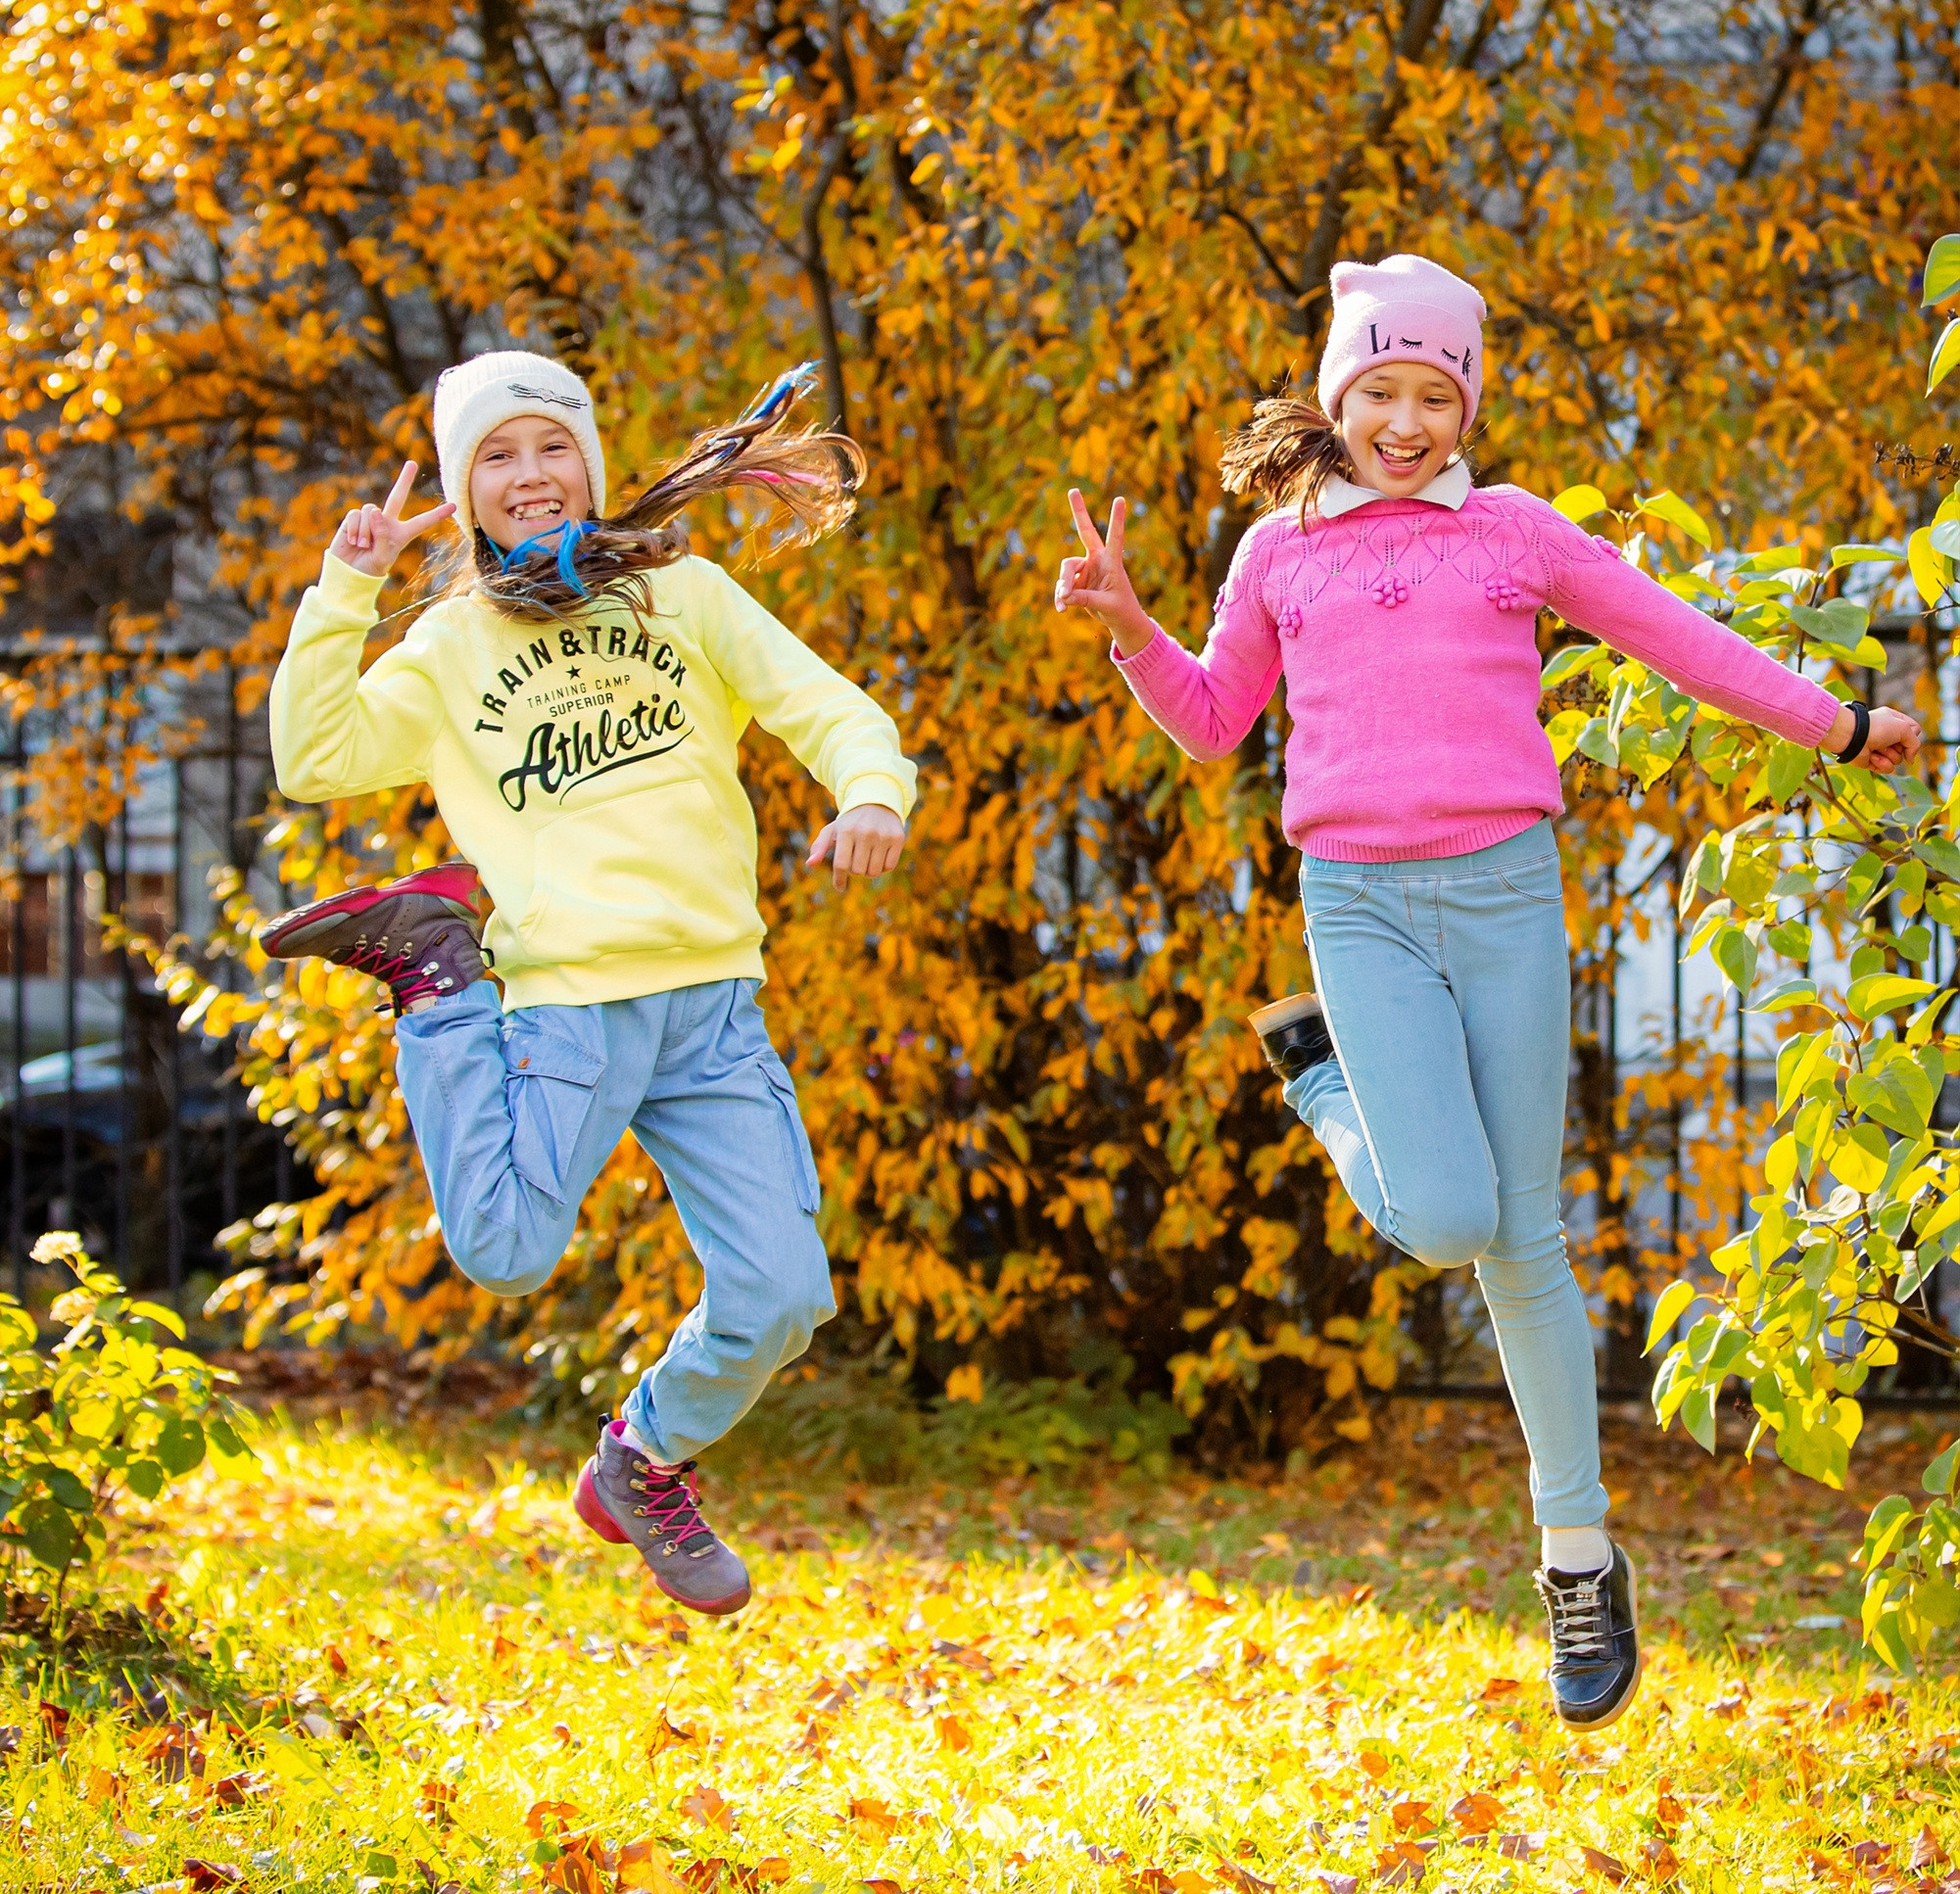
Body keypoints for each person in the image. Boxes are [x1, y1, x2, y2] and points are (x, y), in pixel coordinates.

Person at [1053, 255, 1921, 1730]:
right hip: (1360, 907)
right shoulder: (1278, 553)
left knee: (1522, 1243)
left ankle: (1575, 1560)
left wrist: (1837, 722)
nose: (1404, 420)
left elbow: (1678, 643)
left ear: (1465, 405)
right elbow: (1210, 725)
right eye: (1378, 391)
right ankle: (1326, 1085)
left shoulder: (1512, 533)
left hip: (1507, 894)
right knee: (1446, 1216)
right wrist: (1132, 629)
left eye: (1432, 394)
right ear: (1335, 399)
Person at [259, 351, 915, 1618]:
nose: (528, 475)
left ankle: (641, 1459)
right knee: (505, 1252)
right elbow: (313, 755)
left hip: (714, 1007)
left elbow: (832, 713)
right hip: (567, 1001)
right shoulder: (453, 644)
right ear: (464, 491)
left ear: (591, 464)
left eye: (548, 447)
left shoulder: (684, 594)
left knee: (783, 1296)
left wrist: (870, 792)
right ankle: (433, 977)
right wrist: (351, 582)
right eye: (494, 458)